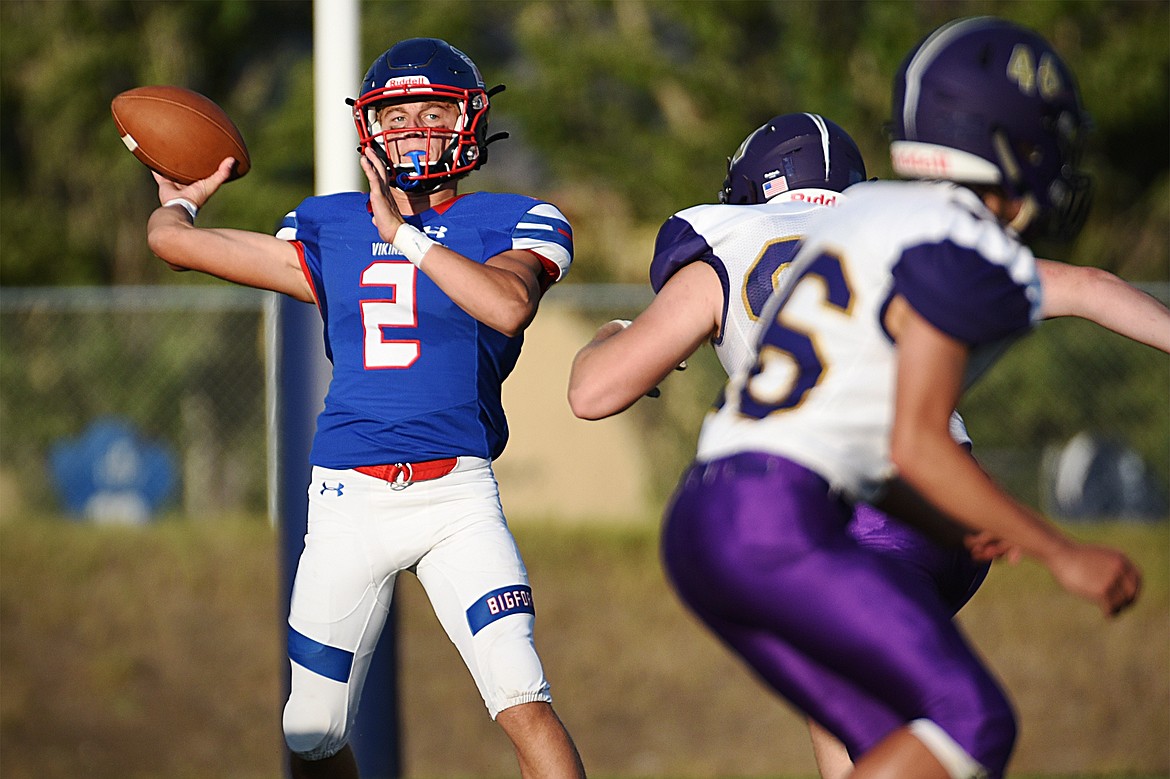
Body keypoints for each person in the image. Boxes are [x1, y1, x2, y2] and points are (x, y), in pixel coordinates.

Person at [580, 17, 1150, 779]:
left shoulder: (780, 230)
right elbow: (918, 440)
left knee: (872, 747)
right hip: (797, 517)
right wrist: (1061, 551)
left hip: (709, 521)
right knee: (972, 722)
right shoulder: (917, 225)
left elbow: (600, 388)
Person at [145, 38, 586, 779]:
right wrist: (183, 200)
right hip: (349, 496)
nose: (414, 127)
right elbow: (175, 245)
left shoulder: (514, 217)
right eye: (399, 113)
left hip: (456, 498)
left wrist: (404, 237)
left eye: (433, 111)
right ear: (369, 130)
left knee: (522, 696)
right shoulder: (330, 224)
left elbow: (507, 306)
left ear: (469, 122)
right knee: (310, 729)